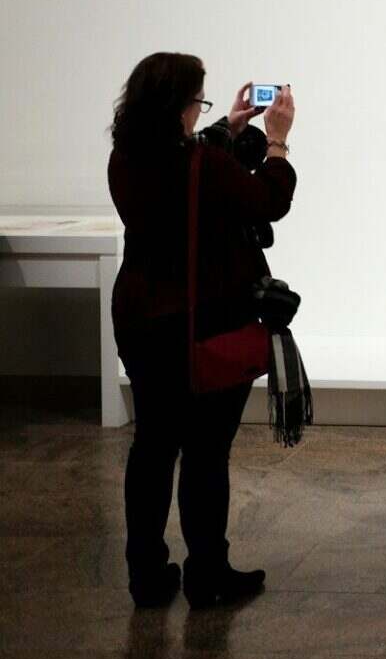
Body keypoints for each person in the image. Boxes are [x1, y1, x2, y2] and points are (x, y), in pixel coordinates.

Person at [108, 55, 295, 609]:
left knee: (153, 447)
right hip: (201, 323)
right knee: (207, 453)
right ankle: (208, 571)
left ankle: (146, 574)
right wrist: (278, 142)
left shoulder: (125, 158)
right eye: (199, 101)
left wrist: (229, 128)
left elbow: (186, 165)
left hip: (141, 321)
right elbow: (269, 199)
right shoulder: (203, 167)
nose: (201, 110)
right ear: (179, 108)